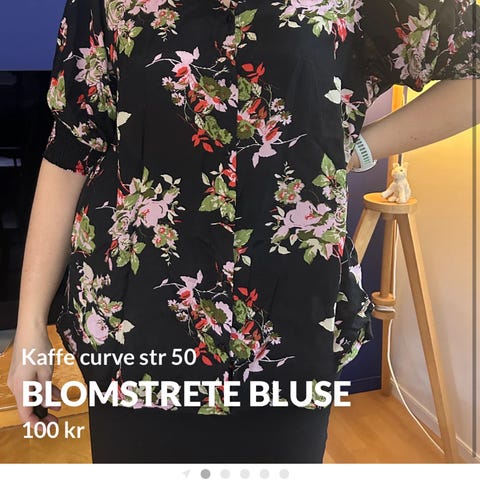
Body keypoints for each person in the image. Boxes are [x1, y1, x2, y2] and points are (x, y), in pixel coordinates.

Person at [7, 0, 479, 463]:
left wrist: (360, 148)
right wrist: (29, 324)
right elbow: (72, 146)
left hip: (288, 327)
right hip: (136, 327)